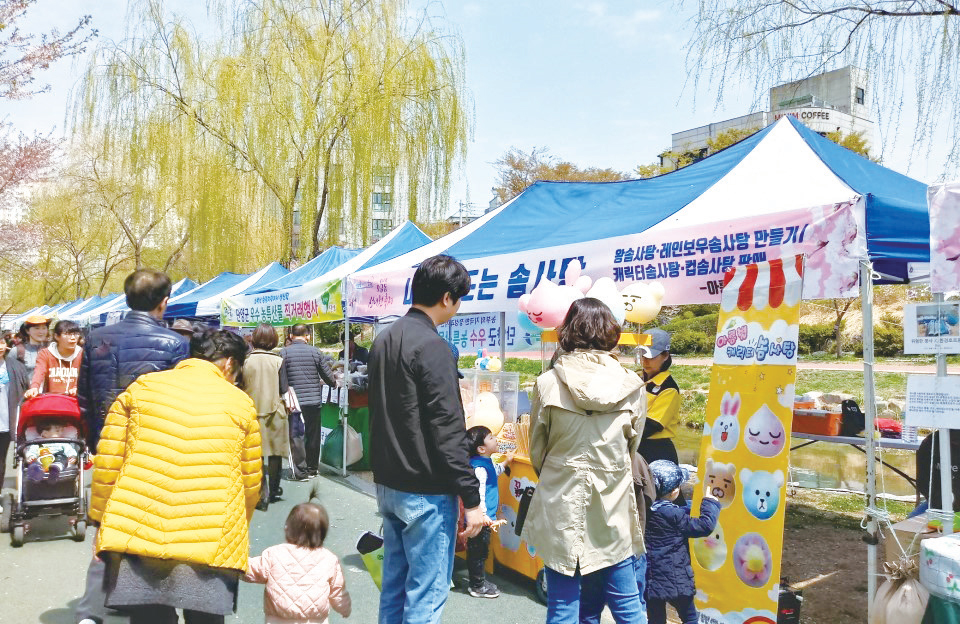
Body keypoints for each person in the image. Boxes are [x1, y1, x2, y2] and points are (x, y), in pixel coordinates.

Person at [89, 329, 261, 624]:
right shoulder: (240, 404)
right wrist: (237, 525)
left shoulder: (141, 388)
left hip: (139, 527)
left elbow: (108, 463)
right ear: (230, 364)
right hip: (210, 534)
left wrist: (101, 524)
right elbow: (250, 481)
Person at [369, 254, 483, 624]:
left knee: (395, 590)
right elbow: (448, 428)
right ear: (447, 298)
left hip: (389, 482)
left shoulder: (384, 339)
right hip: (426, 490)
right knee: (426, 598)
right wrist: (472, 498)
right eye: (459, 298)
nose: (458, 306)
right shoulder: (433, 346)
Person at [75, 269, 190, 624]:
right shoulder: (176, 344)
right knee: (152, 530)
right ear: (164, 302)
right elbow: (178, 404)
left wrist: (95, 442)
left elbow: (83, 401)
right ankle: (149, 604)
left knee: (106, 529)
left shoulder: (96, 339)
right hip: (154, 451)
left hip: (108, 448)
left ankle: (91, 611)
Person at [524, 297, 647, 624]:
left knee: (563, 606)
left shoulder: (547, 383)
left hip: (561, 502)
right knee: (628, 606)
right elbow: (631, 449)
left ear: (569, 330)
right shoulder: (632, 385)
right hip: (612, 506)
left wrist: (560, 472)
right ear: (611, 332)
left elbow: (537, 450)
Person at [244, 502, 352, 623]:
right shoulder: (329, 560)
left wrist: (234, 563)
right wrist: (344, 608)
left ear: (287, 528)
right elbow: (338, 591)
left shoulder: (274, 554)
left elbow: (251, 569)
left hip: (279, 620)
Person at [644, 460, 720, 624]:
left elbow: (674, 511)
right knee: (690, 618)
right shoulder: (674, 515)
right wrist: (710, 502)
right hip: (676, 579)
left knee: (655, 619)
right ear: (674, 492)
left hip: (651, 578)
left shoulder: (644, 509)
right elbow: (704, 525)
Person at [280, 323, 338, 478]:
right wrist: (333, 383)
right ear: (308, 336)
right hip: (313, 401)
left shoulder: (284, 352)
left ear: (291, 336)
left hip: (294, 402)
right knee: (313, 436)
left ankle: (300, 471)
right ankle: (312, 469)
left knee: (296, 436)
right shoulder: (315, 351)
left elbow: (281, 378)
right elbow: (328, 375)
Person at [243, 323, 289, 511]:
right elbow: (284, 389)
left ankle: (262, 493)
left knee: (257, 455)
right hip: (275, 412)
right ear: (273, 340)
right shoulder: (278, 361)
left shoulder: (245, 361)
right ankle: (275, 488)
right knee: (275, 453)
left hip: (251, 412)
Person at [465, 425, 514, 599]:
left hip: (485, 518)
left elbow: (496, 471)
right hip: (480, 518)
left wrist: (506, 461)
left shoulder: (487, 463)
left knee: (481, 550)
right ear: (481, 448)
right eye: (491, 438)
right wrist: (484, 515)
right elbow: (480, 493)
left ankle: (479, 581)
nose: (496, 439)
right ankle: (477, 585)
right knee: (478, 551)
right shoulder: (479, 468)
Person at [637, 329, 681, 468]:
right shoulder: (636, 378)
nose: (645, 361)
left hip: (655, 452)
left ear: (665, 356)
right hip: (636, 447)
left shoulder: (669, 389)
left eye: (651, 357)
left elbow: (651, 426)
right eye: (643, 355)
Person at [0, 339, 30, 493]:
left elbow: (26, 387)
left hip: (6, 423)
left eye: (1, 342)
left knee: (0, 461)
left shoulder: (15, 366)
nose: (0, 347)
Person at [25, 319, 83, 398]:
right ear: (56, 336)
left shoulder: (82, 354)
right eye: (67, 334)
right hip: (51, 402)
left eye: (76, 334)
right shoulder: (45, 353)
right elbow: (39, 372)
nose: (73, 338)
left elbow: (84, 376)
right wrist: (34, 388)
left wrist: (77, 388)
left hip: (74, 401)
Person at [9, 314, 50, 379]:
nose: (41, 332)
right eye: (37, 328)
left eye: (44, 328)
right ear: (27, 331)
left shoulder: (53, 350)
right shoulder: (16, 351)